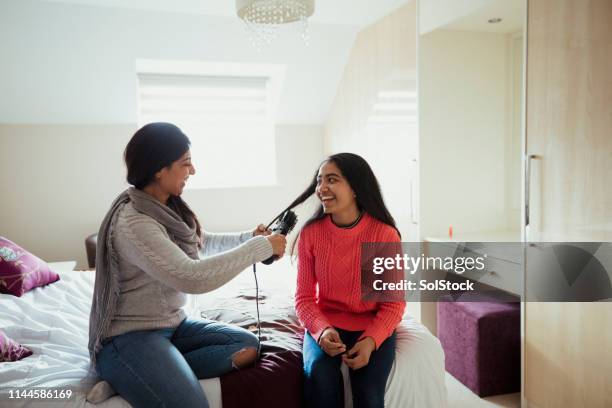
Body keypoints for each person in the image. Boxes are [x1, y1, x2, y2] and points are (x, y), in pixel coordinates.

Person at [88, 122, 286, 408]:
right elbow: (192, 278)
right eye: (186, 163)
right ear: (159, 169)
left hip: (172, 325)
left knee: (247, 346)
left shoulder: (163, 206)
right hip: (130, 337)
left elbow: (201, 242)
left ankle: (135, 376)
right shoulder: (134, 222)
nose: (192, 171)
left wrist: (248, 237)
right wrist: (259, 248)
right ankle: (129, 370)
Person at [290, 153, 406, 408]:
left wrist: (370, 341)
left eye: (332, 179)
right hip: (327, 321)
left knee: (369, 395)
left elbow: (393, 305)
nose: (322, 188)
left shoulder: (383, 235)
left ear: (355, 187)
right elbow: (304, 299)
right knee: (319, 375)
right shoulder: (311, 234)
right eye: (320, 181)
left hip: (371, 324)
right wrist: (321, 331)